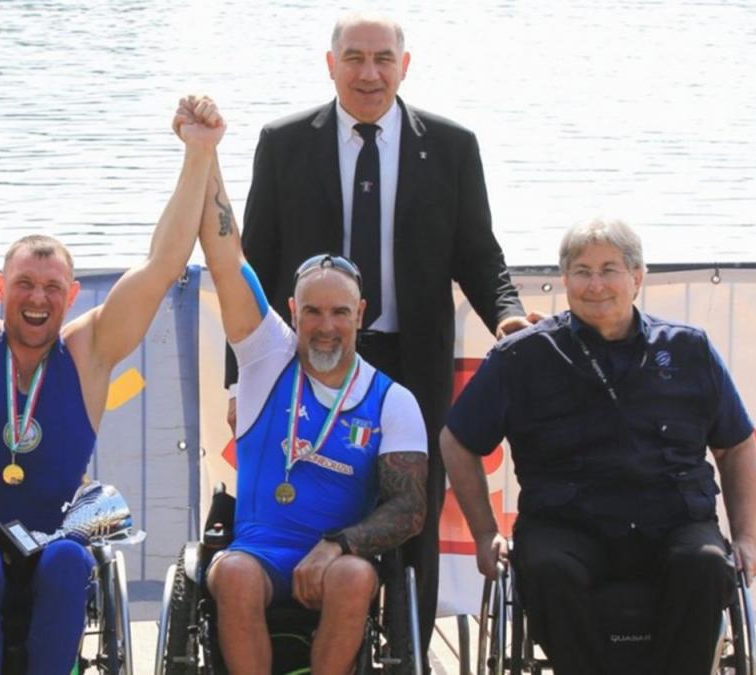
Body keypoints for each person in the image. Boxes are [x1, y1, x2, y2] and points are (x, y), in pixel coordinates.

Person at [225, 13, 532, 650]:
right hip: (307, 357)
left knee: (410, 514)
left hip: (411, 359)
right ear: (330, 62)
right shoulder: (283, 143)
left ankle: (406, 652)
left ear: (405, 64)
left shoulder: (451, 146)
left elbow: (479, 252)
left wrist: (506, 313)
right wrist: (240, 379)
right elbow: (252, 262)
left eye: (383, 59)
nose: (370, 72)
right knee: (307, 498)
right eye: (355, 57)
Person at [0, 70, 222, 675]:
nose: (37, 298)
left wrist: (198, 153)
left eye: (52, 288)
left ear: (72, 296)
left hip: (54, 558)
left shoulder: (88, 354)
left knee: (70, 561)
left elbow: (162, 266)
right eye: (23, 283)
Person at [441, 218, 756, 675]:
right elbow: (456, 440)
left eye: (609, 269)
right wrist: (483, 532)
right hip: (566, 526)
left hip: (673, 522)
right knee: (548, 572)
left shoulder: (690, 350)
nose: (595, 285)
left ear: (636, 277)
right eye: (581, 271)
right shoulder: (522, 357)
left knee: (708, 564)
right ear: (564, 279)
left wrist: (747, 538)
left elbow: (736, 447)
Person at [190, 96, 429, 674]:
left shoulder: (392, 400)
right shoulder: (267, 357)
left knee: (354, 578)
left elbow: (410, 507)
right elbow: (225, 256)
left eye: (340, 313)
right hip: (259, 548)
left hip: (336, 552)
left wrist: (341, 544)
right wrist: (206, 151)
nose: (325, 326)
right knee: (235, 575)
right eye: (313, 312)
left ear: (362, 314)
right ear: (292, 311)